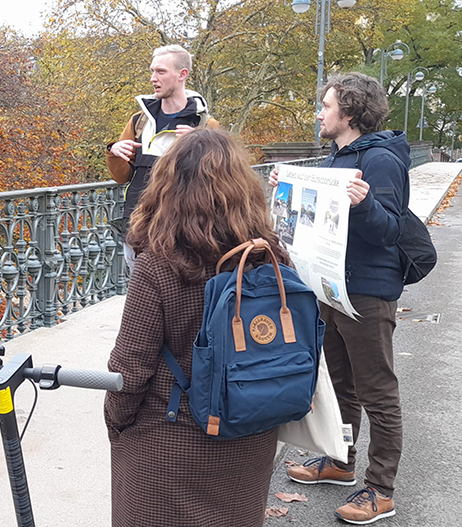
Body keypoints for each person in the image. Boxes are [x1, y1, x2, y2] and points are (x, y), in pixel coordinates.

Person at [105, 129, 287, 527]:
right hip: (250, 431)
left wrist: (116, 423)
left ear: (168, 187)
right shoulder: (270, 255)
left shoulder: (159, 264)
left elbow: (130, 368)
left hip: (171, 441)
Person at [276, 72, 408, 525]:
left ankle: (381, 489)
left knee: (378, 391)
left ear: (348, 112)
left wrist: (365, 203)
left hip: (368, 293)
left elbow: (391, 230)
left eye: (326, 106)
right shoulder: (339, 156)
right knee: (340, 384)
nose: (319, 113)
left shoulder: (382, 160)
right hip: (332, 288)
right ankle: (340, 461)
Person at [105, 44, 218, 266]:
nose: (153, 78)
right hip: (137, 230)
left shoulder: (206, 126)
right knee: (142, 297)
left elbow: (221, 182)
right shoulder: (140, 121)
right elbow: (121, 177)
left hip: (183, 235)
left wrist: (199, 145)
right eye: (152, 71)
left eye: (161, 72)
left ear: (182, 74)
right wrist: (113, 152)